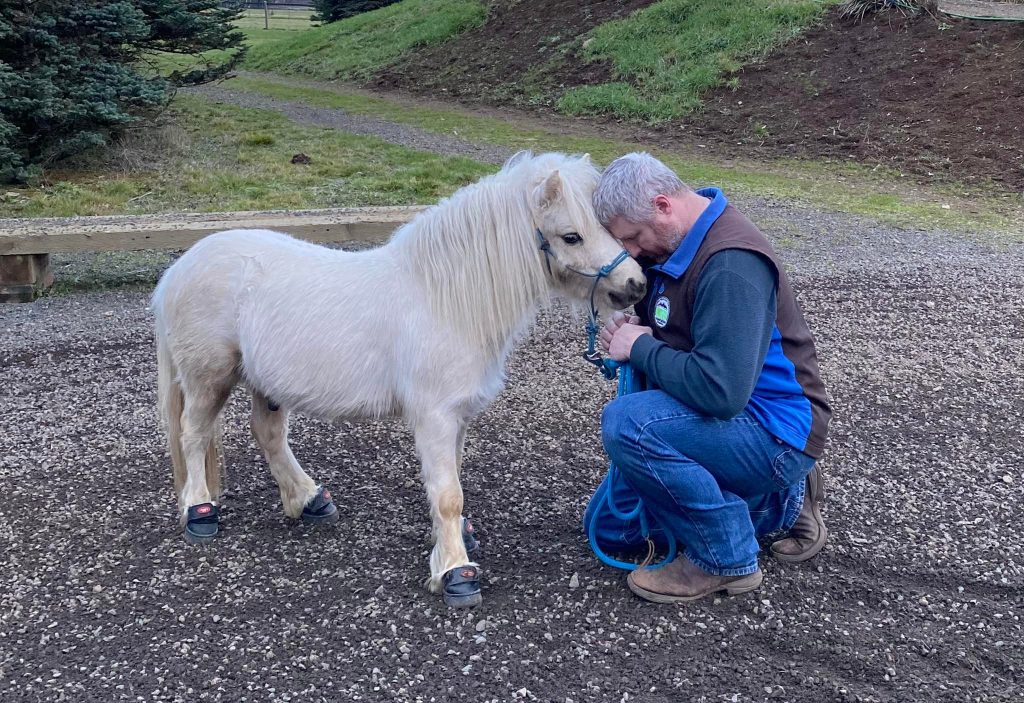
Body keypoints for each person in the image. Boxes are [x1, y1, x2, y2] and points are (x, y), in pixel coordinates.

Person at [584, 152, 831, 603]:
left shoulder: (731, 264)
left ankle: (725, 557)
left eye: (633, 239)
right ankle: (781, 503)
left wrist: (640, 348)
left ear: (662, 206)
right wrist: (632, 336)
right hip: (734, 419)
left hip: (775, 431)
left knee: (629, 424)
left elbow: (721, 392)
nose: (633, 253)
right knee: (615, 530)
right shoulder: (676, 244)